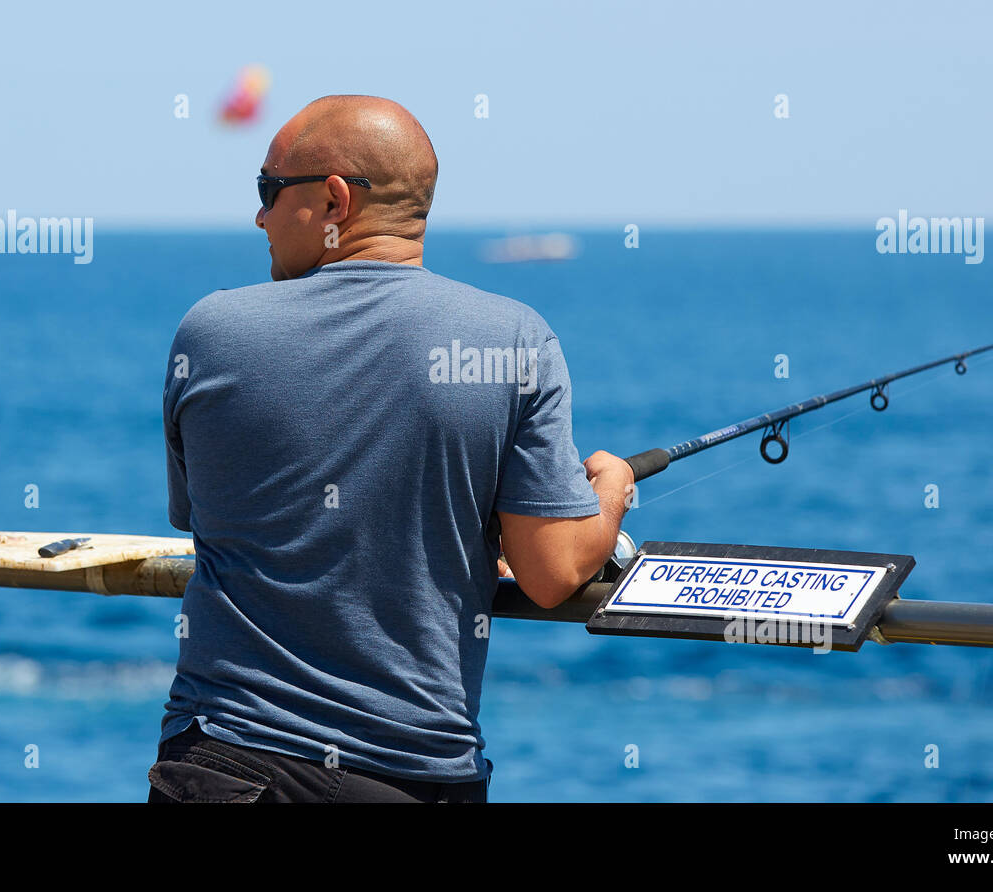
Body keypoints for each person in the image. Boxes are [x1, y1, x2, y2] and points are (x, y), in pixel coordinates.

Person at [148, 94, 634, 803]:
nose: (258, 216)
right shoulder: (513, 341)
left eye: (268, 191)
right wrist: (611, 487)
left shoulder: (212, 332)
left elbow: (216, 519)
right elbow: (553, 575)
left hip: (226, 764)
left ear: (334, 200)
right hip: (413, 776)